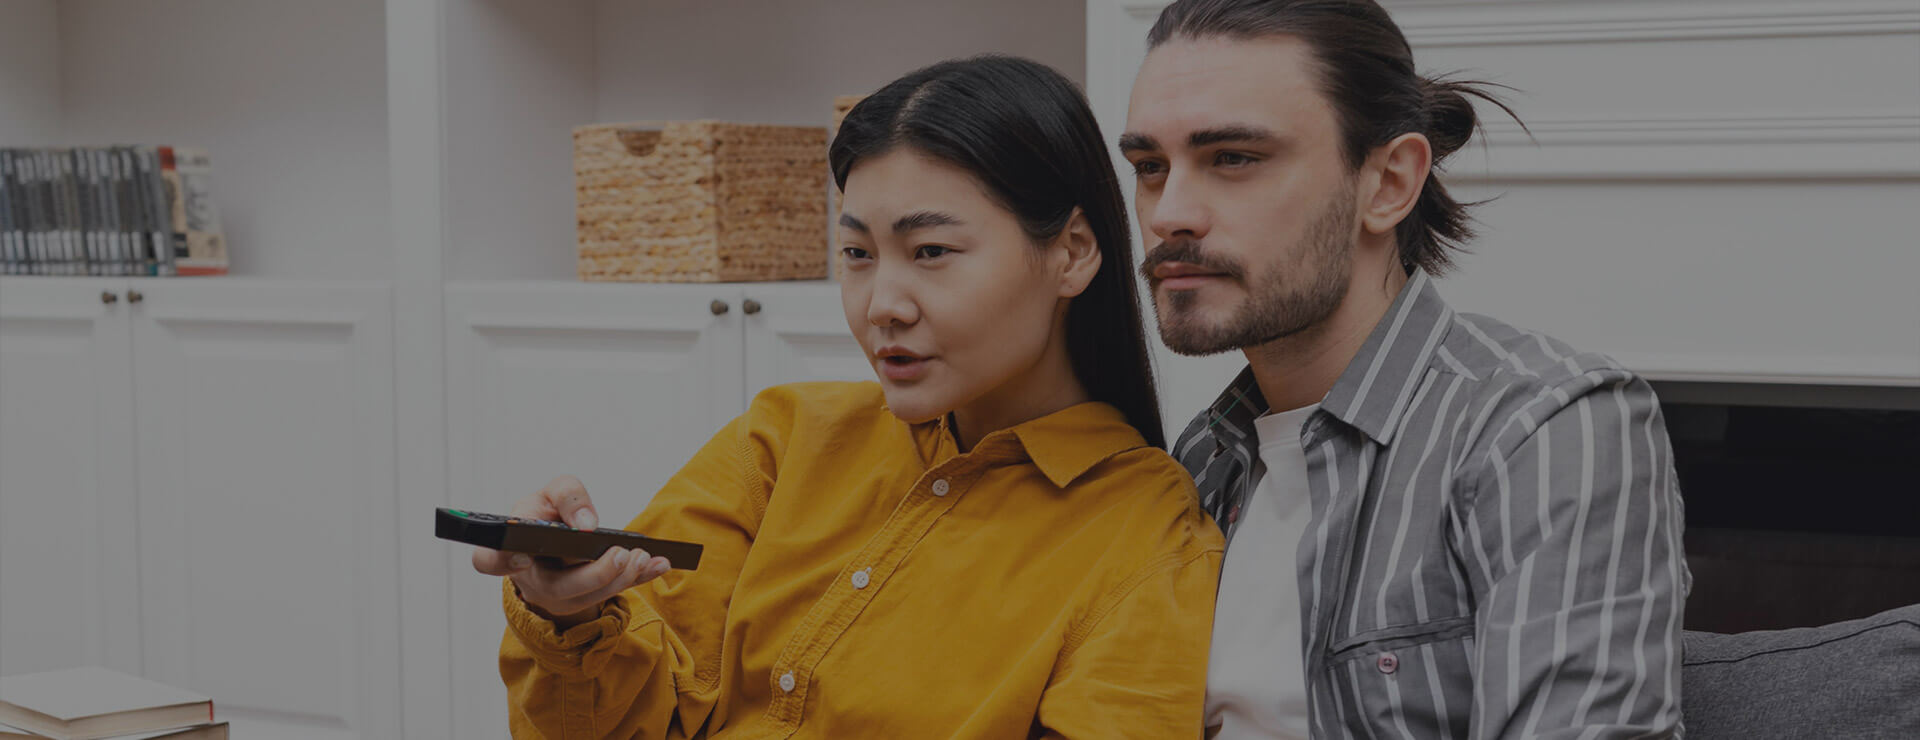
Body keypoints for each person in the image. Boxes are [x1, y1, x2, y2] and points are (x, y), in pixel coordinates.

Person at [470, 54, 1224, 739]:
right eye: (858, 253)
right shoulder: (783, 438)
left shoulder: (1147, 530)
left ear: (1073, 252)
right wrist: (567, 613)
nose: (881, 304)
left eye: (931, 251)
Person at [1119, 1, 1689, 737]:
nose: (1168, 213)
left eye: (1233, 158)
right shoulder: (1202, 459)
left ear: (1388, 183)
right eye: (1150, 167)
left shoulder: (1540, 429)